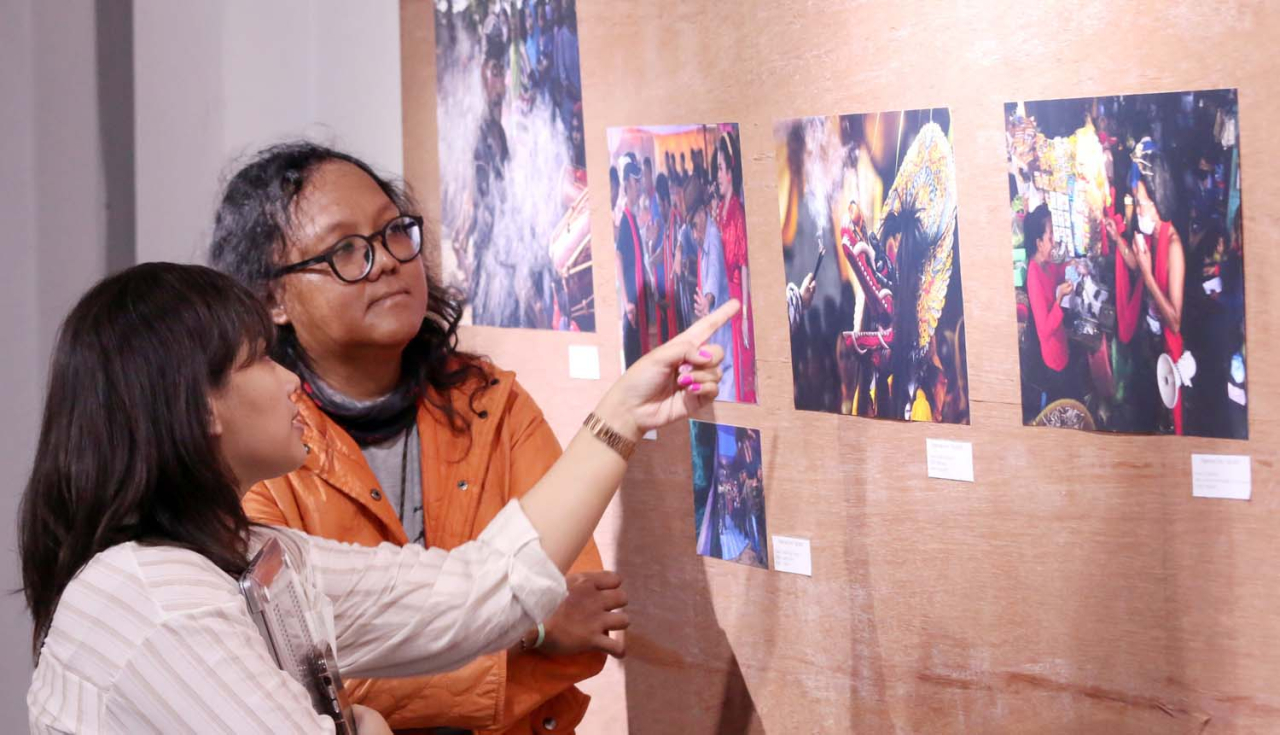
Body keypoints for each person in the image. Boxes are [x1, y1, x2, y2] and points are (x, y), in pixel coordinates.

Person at [22, 261, 736, 734]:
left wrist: (624, 411)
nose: (290, 381)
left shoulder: (257, 556)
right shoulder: (152, 598)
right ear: (200, 406)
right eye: (259, 360)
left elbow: (475, 590)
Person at [206, 141, 615, 734]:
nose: (388, 260)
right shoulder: (259, 444)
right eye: (347, 249)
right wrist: (531, 631)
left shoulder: (491, 402)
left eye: (394, 231)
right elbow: (298, 687)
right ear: (273, 298)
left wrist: (389, 672)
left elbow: (588, 619)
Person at [712, 131, 756, 403]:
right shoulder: (721, 212)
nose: (717, 175)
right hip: (724, 300)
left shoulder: (737, 211)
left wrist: (747, 318)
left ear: (730, 172)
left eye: (720, 168)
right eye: (716, 169)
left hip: (739, 302)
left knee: (741, 372)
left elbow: (744, 266)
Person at [1022, 204, 1079, 404]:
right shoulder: (1033, 276)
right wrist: (1060, 299)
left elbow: (1055, 272)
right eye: (1050, 237)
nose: (1053, 242)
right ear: (1039, 243)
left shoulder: (1044, 264)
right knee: (1063, 400)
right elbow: (1044, 330)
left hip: (1061, 342)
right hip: (1053, 355)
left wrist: (1069, 266)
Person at [684, 176, 735, 398]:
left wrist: (708, 299)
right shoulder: (703, 242)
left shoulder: (712, 236)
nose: (694, 233)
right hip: (716, 338)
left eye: (695, 225)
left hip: (725, 338)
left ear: (703, 213)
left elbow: (714, 273)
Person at [616, 154, 649, 367]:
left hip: (637, 302)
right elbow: (618, 259)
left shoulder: (632, 218)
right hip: (632, 307)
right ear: (627, 183)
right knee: (633, 361)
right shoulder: (625, 219)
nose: (639, 187)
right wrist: (627, 303)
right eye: (636, 182)